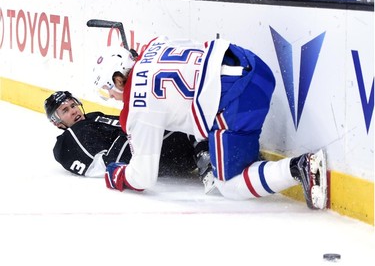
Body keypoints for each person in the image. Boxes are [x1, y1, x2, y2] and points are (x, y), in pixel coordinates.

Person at [94, 36, 327, 209]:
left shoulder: (138, 106)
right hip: (253, 65)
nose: (112, 98)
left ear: (118, 79)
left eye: (108, 91)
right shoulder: (155, 44)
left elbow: (143, 177)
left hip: (237, 97)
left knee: (229, 184)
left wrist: (116, 175)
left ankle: (299, 167)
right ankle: (247, 159)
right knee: (205, 124)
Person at [44, 91, 215, 193]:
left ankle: (214, 153)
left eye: (73, 106)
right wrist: (139, 130)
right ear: (57, 122)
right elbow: (104, 164)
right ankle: (207, 163)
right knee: (183, 122)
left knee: (185, 114)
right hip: (143, 155)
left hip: (147, 145)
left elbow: (126, 123)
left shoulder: (93, 116)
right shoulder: (67, 140)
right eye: (65, 110)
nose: (73, 111)